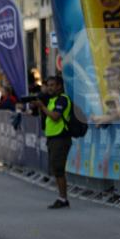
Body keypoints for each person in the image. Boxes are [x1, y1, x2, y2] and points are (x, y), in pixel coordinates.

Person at [32, 75, 73, 209]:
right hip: (53, 138)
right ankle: (62, 198)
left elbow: (55, 117)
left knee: (59, 169)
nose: (49, 88)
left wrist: (42, 107)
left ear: (59, 86)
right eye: (48, 85)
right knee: (56, 169)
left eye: (52, 85)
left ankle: (63, 199)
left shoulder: (62, 100)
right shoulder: (52, 100)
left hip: (61, 138)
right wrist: (39, 107)